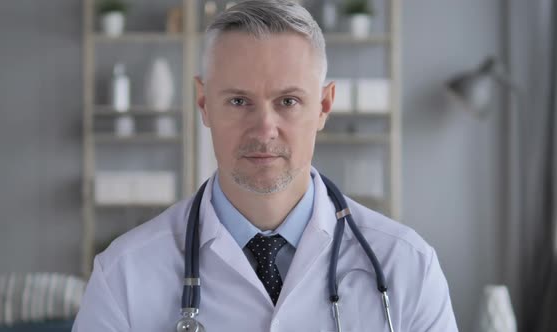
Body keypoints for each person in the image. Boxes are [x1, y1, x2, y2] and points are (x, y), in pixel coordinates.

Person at [72, 1, 458, 331]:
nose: (264, 128)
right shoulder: (123, 276)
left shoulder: (408, 267)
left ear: (324, 106)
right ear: (204, 103)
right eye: (239, 101)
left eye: (288, 101)